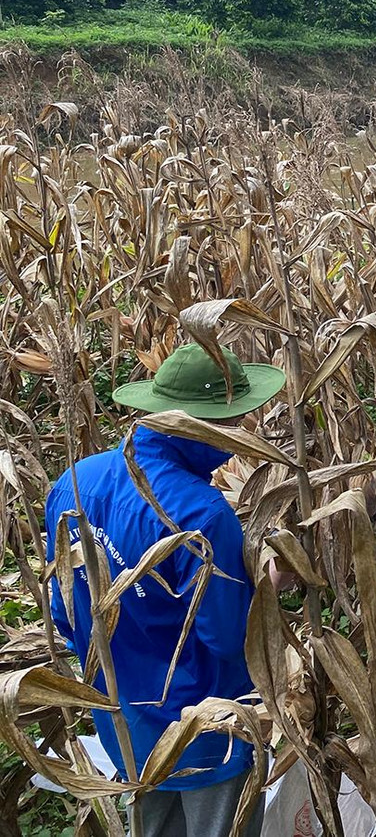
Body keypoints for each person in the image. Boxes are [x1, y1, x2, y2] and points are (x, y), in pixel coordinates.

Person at [46, 343, 286, 837]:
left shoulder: (74, 481)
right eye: (230, 422)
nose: (238, 435)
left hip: (121, 715)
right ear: (200, 426)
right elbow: (228, 638)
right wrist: (269, 587)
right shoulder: (203, 516)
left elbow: (65, 607)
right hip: (205, 731)